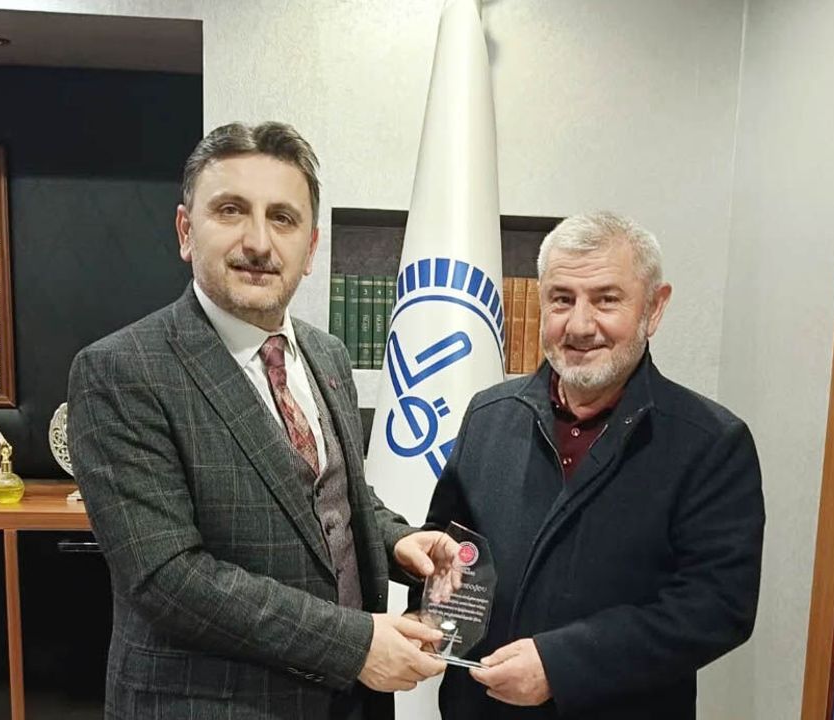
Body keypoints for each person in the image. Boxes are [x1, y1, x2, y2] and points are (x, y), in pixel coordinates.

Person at [68, 121, 453, 720]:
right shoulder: (120, 370)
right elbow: (168, 578)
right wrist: (355, 645)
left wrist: (398, 540)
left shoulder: (327, 355)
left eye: (282, 218)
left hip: (350, 703)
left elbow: (329, 498)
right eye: (230, 211)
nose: (258, 242)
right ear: (185, 231)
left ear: (311, 247)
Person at [416, 211, 765, 718]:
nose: (580, 325)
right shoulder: (488, 416)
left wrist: (560, 665)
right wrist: (427, 606)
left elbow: (717, 608)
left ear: (654, 308)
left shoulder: (712, 443)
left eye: (606, 299)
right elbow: (449, 548)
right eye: (562, 299)